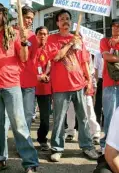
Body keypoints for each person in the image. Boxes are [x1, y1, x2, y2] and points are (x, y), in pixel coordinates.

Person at [0, 2, 39, 173]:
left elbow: (24, 58)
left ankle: (30, 162)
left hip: (11, 85)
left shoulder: (16, 34)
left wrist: (25, 43)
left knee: (19, 123)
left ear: (4, 15)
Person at [46, 9, 99, 162]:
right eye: (62, 19)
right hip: (61, 87)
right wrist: (70, 43)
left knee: (83, 119)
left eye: (68, 18)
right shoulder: (52, 39)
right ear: (57, 23)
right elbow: (56, 57)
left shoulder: (78, 39)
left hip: (79, 85)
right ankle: (57, 148)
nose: (65, 21)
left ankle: (87, 147)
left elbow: (84, 62)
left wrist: (88, 81)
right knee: (59, 119)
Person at [99, 18, 119, 152]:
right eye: (113, 26)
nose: (116, 28)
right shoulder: (105, 41)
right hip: (109, 84)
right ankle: (106, 144)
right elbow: (107, 58)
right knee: (110, 115)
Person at [19, 5, 38, 130]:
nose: (30, 21)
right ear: (20, 17)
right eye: (27, 18)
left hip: (29, 81)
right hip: (14, 80)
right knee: (13, 115)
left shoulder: (33, 36)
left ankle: (25, 140)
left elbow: (34, 58)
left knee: (28, 114)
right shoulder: (10, 33)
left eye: (31, 18)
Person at [34, 26, 52, 151]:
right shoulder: (30, 48)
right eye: (40, 33)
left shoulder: (50, 49)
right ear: (36, 35)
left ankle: (42, 139)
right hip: (30, 87)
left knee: (45, 119)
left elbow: (53, 64)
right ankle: (25, 142)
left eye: (45, 34)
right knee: (27, 117)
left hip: (45, 88)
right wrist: (38, 76)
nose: (43, 36)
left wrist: (46, 74)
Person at [93, 51, 104, 126]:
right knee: (98, 103)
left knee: (107, 103)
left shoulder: (112, 52)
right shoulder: (98, 55)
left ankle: (105, 121)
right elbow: (95, 69)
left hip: (109, 80)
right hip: (100, 80)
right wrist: (96, 83)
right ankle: (97, 122)